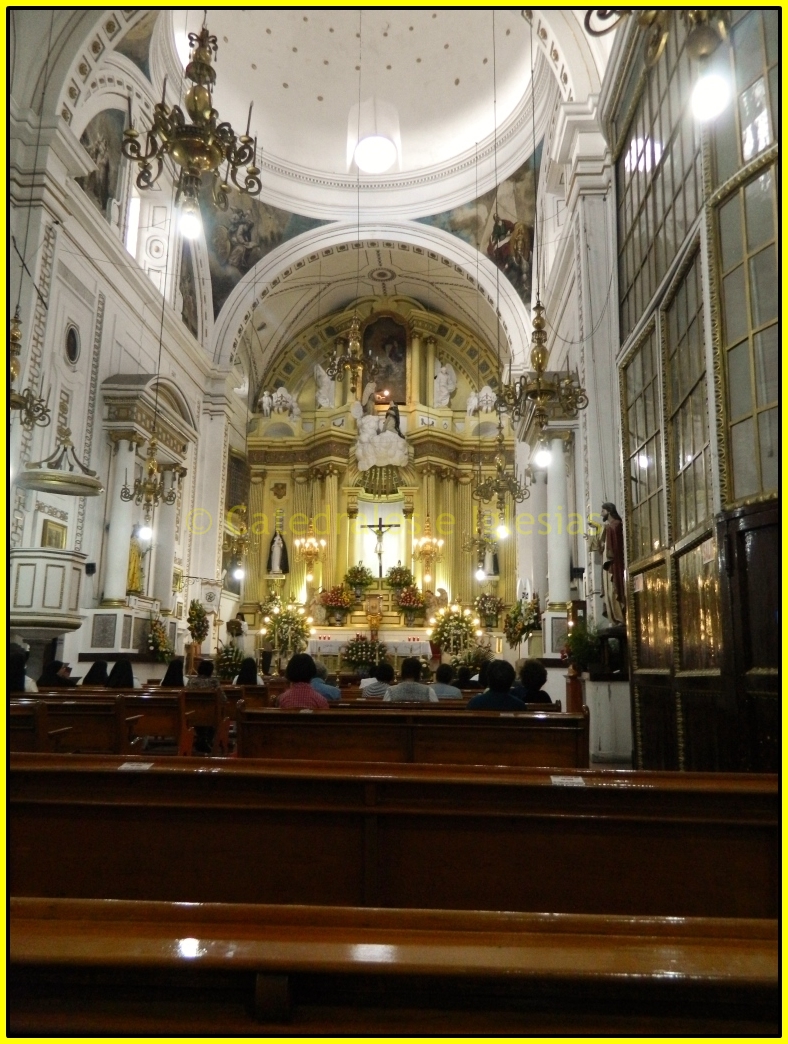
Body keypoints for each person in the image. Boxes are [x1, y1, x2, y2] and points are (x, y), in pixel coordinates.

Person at [588, 502, 626, 625]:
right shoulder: (609, 527)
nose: (601, 514)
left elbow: (613, 537)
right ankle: (613, 619)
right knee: (608, 594)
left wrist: (599, 527)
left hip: (614, 563)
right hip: (607, 564)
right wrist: (591, 538)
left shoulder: (616, 525)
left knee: (613, 591)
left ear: (609, 511)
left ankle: (620, 617)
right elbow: (600, 545)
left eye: (603, 511)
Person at [187, 660, 226, 753]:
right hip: (211, 714)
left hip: (193, 713)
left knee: (199, 714)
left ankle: (202, 739)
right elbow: (223, 698)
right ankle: (205, 740)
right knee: (209, 714)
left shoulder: (191, 681)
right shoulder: (214, 682)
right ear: (211, 671)